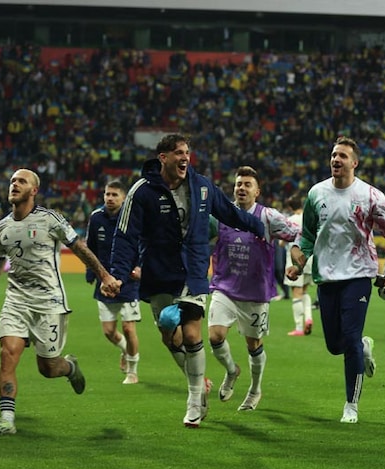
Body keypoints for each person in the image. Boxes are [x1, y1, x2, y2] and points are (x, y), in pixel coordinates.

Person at [103, 133, 265, 429]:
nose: (185, 157)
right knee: (169, 335)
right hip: (158, 273)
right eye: (178, 152)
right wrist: (118, 273)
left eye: (187, 152)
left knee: (192, 335)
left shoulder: (201, 186)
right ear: (162, 157)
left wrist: (259, 226)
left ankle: (194, 399)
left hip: (192, 270)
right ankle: (197, 384)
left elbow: (229, 213)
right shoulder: (142, 192)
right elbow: (125, 236)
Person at [0, 168, 122, 435]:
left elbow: (80, 248)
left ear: (34, 191)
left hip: (49, 303)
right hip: (16, 301)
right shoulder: (3, 227)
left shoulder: (51, 220)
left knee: (48, 368)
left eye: (21, 181)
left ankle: (70, 367)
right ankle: (7, 419)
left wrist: (105, 276)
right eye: (13, 181)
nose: (14, 184)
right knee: (8, 355)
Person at [286, 136, 385, 424]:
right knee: (335, 345)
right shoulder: (317, 193)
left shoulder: (369, 196)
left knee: (350, 338)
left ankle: (351, 405)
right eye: (333, 155)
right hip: (326, 277)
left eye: (342, 156)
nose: (336, 160)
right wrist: (297, 257)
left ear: (354, 162)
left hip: (359, 275)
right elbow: (307, 235)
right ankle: (362, 347)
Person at [208, 166, 300, 412]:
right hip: (224, 287)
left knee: (253, 345)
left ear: (257, 191)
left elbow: (298, 233)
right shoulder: (220, 214)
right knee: (215, 336)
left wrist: (298, 255)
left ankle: (255, 389)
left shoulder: (268, 216)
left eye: (247, 184)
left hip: (255, 294)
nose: (241, 188)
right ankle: (231, 371)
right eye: (238, 184)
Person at [85, 179, 141, 385]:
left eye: (114, 195)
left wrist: (139, 267)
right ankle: (126, 350)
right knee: (109, 331)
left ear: (124, 198)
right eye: (107, 194)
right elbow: (89, 247)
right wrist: (90, 272)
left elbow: (142, 244)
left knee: (128, 328)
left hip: (128, 281)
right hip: (104, 282)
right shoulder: (96, 218)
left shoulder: (133, 217)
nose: (110, 198)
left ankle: (132, 371)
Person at [283, 196, 314, 336]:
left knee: (296, 293)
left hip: (295, 261)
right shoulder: (308, 218)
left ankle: (299, 328)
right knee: (304, 292)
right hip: (310, 259)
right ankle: (308, 318)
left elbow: (282, 242)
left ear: (290, 208)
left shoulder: (289, 220)